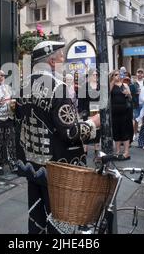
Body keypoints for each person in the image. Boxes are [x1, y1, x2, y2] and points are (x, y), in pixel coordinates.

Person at [15, 40, 99, 234]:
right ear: (52, 62)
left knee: (37, 213)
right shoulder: (57, 87)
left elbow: (19, 120)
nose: (64, 62)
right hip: (57, 167)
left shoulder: (23, 85)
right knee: (61, 218)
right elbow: (70, 132)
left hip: (32, 162)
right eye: (62, 58)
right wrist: (93, 122)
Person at [0, 69, 18, 174]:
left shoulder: (9, 88)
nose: (0, 77)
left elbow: (14, 101)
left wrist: (14, 104)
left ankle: (13, 163)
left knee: (11, 142)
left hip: (9, 118)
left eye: (2, 75)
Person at [110, 70, 133, 159]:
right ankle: (117, 151)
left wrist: (128, 94)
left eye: (119, 75)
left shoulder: (125, 85)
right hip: (114, 112)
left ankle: (126, 152)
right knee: (116, 132)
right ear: (112, 76)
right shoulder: (111, 85)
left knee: (125, 131)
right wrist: (113, 81)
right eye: (116, 75)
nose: (118, 76)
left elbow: (130, 99)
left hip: (125, 111)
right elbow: (107, 93)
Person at [77, 69, 101, 155]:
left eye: (96, 75)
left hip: (98, 112)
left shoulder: (100, 86)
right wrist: (82, 112)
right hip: (87, 112)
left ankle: (97, 151)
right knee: (87, 131)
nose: (95, 76)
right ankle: (84, 151)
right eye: (94, 75)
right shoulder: (84, 86)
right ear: (90, 76)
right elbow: (80, 101)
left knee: (97, 132)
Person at [133, 68, 144, 139]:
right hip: (136, 103)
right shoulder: (133, 83)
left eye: (141, 73)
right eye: (138, 72)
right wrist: (136, 93)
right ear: (136, 74)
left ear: (143, 74)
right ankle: (135, 134)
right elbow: (131, 92)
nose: (140, 74)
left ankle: (143, 134)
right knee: (136, 119)